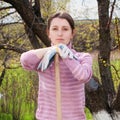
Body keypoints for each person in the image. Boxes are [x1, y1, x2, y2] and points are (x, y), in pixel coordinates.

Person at [20, 11, 92, 120]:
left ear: (72, 33)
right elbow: (25, 60)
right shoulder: (44, 59)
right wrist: (52, 50)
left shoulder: (82, 57)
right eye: (55, 29)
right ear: (48, 33)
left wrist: (67, 56)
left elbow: (83, 76)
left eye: (65, 29)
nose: (60, 34)